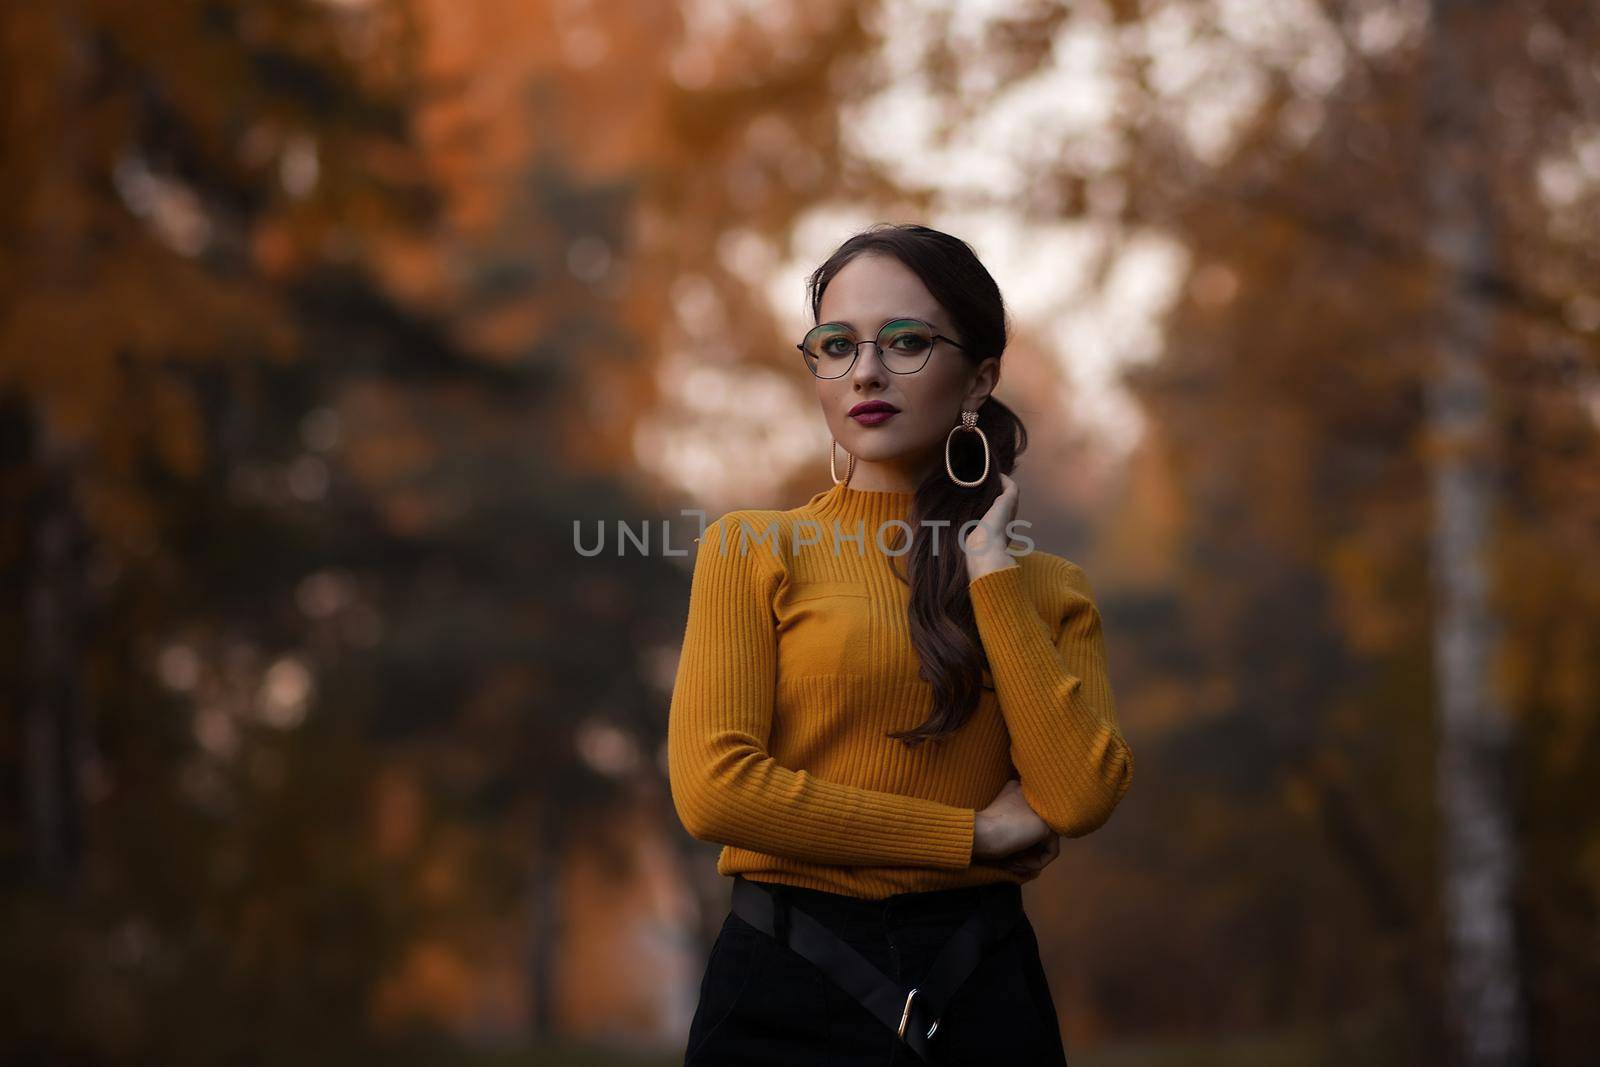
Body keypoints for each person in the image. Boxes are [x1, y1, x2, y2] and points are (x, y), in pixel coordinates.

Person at [667, 223, 1134, 1065]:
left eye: (908, 342)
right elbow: (715, 791)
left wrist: (990, 572)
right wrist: (972, 836)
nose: (868, 371)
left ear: (979, 378)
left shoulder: (1048, 590)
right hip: (782, 986)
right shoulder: (750, 548)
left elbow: (1077, 796)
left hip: (982, 989)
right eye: (836, 345)